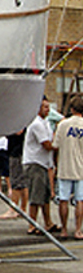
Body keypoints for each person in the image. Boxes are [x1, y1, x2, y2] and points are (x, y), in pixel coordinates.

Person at [22, 96, 59, 234]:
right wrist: (59, 145)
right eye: (45, 107)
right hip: (35, 162)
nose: (47, 109)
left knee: (45, 195)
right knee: (36, 195)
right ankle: (32, 224)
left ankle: (48, 222)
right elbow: (47, 144)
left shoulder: (46, 123)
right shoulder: (36, 123)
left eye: (48, 107)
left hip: (44, 163)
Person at [51, 96, 83, 239]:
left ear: (72, 109)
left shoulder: (63, 125)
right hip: (81, 168)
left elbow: (55, 145)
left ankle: (64, 229)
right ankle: (77, 230)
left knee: (63, 199)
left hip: (64, 167)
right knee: (80, 200)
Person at [0, 126, 28, 219]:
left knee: (16, 181)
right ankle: (22, 209)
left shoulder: (19, 122)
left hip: (17, 152)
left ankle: (14, 208)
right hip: (18, 150)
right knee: (22, 182)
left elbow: (19, 131)